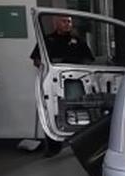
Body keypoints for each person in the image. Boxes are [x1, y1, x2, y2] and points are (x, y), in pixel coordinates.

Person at [30, 15, 94, 156]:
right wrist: (46, 66)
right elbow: (36, 60)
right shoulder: (47, 40)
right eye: (64, 21)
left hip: (74, 82)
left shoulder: (78, 41)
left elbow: (89, 60)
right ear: (55, 23)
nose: (67, 24)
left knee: (77, 110)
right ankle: (53, 148)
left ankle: (80, 145)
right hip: (52, 81)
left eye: (69, 21)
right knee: (52, 112)